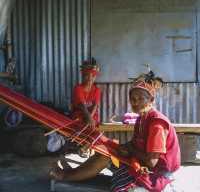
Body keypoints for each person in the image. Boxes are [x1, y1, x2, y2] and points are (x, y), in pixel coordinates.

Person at [50, 70, 181, 192]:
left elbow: (152, 162)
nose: (136, 103)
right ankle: (69, 175)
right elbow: (136, 145)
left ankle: (65, 176)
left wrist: (128, 149)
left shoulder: (156, 124)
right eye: (133, 99)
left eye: (141, 99)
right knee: (104, 151)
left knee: (108, 159)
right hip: (142, 162)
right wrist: (123, 147)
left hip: (156, 173)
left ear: (151, 100)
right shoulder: (141, 119)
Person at [70, 58, 101, 129]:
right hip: (79, 118)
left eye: (93, 76)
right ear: (83, 76)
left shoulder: (97, 90)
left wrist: (91, 118)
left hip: (92, 119)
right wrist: (89, 118)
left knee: (94, 131)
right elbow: (82, 106)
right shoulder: (78, 88)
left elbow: (95, 106)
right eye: (87, 75)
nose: (90, 78)